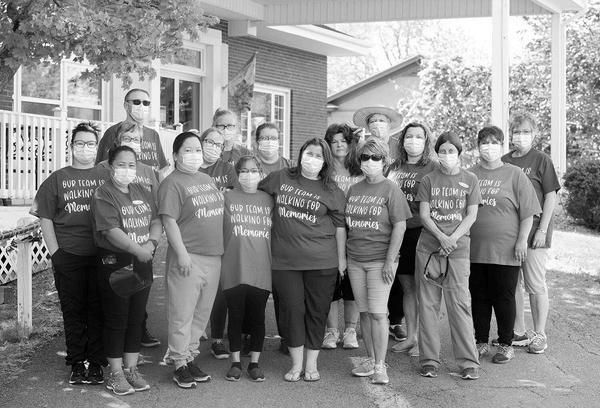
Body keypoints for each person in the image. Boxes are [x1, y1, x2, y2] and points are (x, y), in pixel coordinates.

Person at [258, 138, 346, 382]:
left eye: (318, 156)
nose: (312, 159)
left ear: (325, 161)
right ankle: (296, 364)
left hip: (322, 262)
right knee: (292, 311)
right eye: (309, 153)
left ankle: (311, 364)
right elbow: (256, 195)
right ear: (300, 154)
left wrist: (341, 260)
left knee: (317, 312)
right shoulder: (280, 177)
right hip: (285, 262)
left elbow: (340, 227)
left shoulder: (332, 190)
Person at [31, 122, 107, 385]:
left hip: (100, 254)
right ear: (71, 146)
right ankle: (76, 362)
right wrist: (56, 254)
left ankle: (95, 362)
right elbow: (45, 217)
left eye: (90, 143)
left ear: (97, 147)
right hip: (68, 255)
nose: (85, 148)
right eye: (80, 143)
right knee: (73, 311)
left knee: (97, 309)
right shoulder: (57, 178)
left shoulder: (106, 176)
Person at [91, 145, 162, 395]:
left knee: (136, 318)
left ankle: (131, 369)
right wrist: (138, 249)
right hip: (115, 262)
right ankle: (116, 373)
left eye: (131, 165)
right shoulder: (103, 194)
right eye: (121, 164)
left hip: (143, 259)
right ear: (111, 166)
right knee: (117, 319)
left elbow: (156, 220)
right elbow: (111, 230)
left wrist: (151, 244)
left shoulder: (142, 190)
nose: (127, 169)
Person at [469, 126, 541, 364]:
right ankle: (480, 341)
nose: (489, 147)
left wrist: (522, 241)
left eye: (494, 142)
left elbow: (528, 212)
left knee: (504, 298)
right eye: (484, 142)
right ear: (478, 146)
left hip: (506, 250)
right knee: (479, 297)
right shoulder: (469, 174)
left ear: (502, 146)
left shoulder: (515, 174)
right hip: (474, 250)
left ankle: (506, 344)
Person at [158, 131, 225, 388]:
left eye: (198, 149)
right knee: (182, 313)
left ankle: (189, 356)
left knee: (201, 313)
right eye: (188, 150)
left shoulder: (206, 179)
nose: (195, 154)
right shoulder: (171, 183)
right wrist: (182, 253)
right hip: (188, 257)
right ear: (176, 155)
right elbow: (169, 221)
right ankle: (178, 363)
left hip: (213, 256)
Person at [415, 131, 481, 380]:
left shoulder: (470, 179)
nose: (446, 155)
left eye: (451, 151)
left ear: (459, 153)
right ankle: (429, 360)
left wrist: (452, 239)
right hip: (429, 249)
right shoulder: (428, 180)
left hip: (458, 250)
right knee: (428, 305)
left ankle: (468, 362)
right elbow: (424, 215)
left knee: (460, 305)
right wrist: (441, 238)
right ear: (437, 153)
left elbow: (471, 215)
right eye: (442, 151)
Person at [346, 138, 412, 385]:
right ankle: (371, 359)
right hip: (355, 260)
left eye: (376, 157)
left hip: (380, 261)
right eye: (365, 157)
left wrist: (389, 261)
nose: (370, 161)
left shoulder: (391, 189)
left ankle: (380, 366)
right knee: (364, 313)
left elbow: (400, 226)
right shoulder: (354, 189)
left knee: (377, 313)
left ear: (384, 161)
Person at [502, 113, 561, 354]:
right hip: (509, 232)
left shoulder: (541, 160)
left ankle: (539, 334)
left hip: (535, 231)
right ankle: (518, 331)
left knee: (535, 283)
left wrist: (543, 230)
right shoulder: (504, 161)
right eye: (517, 131)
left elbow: (550, 197)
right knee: (512, 283)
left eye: (526, 131)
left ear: (534, 134)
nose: (521, 136)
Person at [221, 155, 274, 382]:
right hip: (233, 266)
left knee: (257, 318)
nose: (248, 175)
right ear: (237, 174)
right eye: (243, 171)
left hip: (261, 267)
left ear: (260, 173)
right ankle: (235, 362)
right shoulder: (226, 197)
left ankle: (254, 363)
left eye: (253, 170)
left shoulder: (269, 200)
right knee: (235, 315)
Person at [387, 122, 437, 356]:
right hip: (399, 233)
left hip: (423, 232)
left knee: (424, 289)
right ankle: (411, 337)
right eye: (409, 136)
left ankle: (426, 342)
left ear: (426, 141)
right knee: (407, 286)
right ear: (402, 140)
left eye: (419, 136)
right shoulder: (393, 167)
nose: (413, 140)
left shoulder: (434, 167)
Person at [196, 127, 237, 359]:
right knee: (196, 286)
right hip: (195, 235)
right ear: (201, 142)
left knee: (219, 289)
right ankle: (193, 331)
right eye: (209, 142)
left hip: (221, 235)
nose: (213, 147)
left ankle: (217, 339)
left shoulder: (227, 169)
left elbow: (231, 198)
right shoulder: (191, 167)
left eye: (218, 144)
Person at [321, 123, 363, 350]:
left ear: (350, 144)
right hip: (329, 230)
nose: (339, 145)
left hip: (356, 231)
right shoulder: (323, 171)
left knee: (351, 283)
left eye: (343, 141)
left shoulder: (360, 169)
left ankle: (350, 330)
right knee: (330, 283)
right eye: (334, 141)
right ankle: (331, 331)